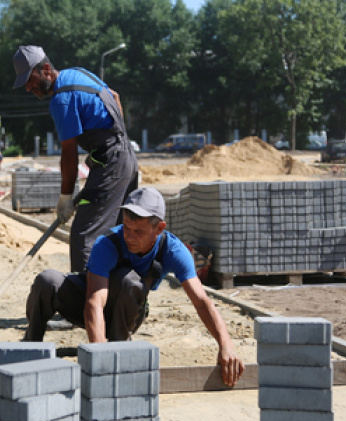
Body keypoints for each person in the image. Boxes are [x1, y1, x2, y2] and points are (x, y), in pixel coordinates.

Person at [24, 187, 244, 387]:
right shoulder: (107, 243)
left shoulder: (174, 250)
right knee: (47, 280)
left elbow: (202, 301)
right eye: (126, 227)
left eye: (138, 231)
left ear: (159, 228)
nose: (129, 236)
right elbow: (94, 302)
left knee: (127, 280)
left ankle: (119, 348)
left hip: (128, 311)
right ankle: (29, 349)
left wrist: (226, 345)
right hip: (89, 307)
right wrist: (99, 357)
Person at [13, 45, 138, 272]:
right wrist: (117, 146)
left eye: (30, 80)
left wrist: (65, 198)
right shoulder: (78, 73)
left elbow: (68, 154)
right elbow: (115, 97)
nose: (28, 88)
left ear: (46, 70)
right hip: (125, 158)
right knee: (121, 235)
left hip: (112, 164)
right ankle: (118, 292)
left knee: (84, 237)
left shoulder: (61, 99)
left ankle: (83, 294)